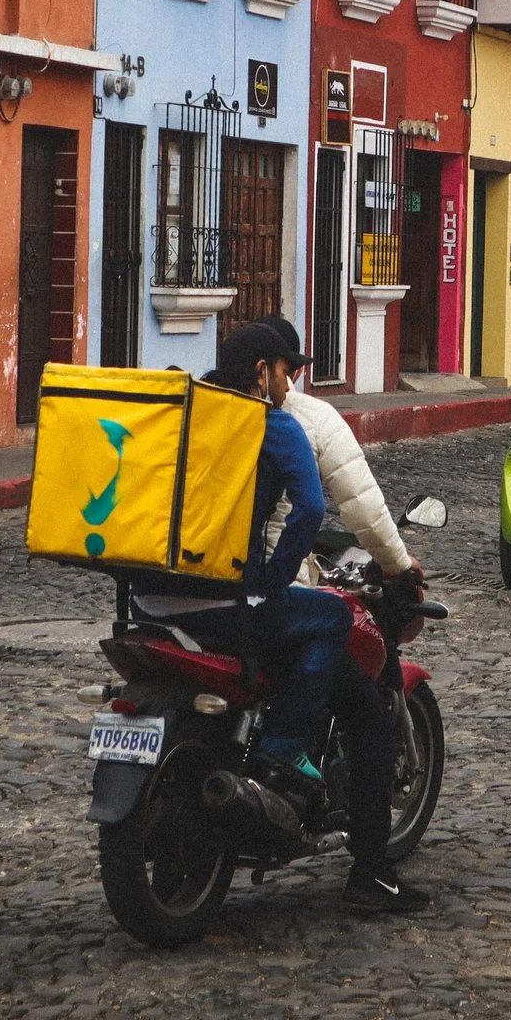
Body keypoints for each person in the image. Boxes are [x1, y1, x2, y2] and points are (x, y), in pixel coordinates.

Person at [253, 315, 429, 914]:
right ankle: (371, 873)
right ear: (278, 372)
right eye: (285, 370)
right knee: (365, 712)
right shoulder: (299, 420)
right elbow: (357, 504)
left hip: (178, 594)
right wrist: (402, 566)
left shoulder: (198, 410)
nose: (287, 381)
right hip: (263, 594)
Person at [128, 322, 349, 798]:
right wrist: (272, 580)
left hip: (145, 603)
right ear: (260, 372)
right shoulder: (273, 426)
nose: (288, 387)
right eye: (285, 372)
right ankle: (286, 742)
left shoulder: (184, 415)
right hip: (227, 609)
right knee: (333, 614)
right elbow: (310, 509)